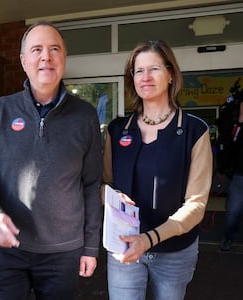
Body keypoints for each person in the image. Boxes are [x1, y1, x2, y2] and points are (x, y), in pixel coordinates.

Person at [0, 21, 103, 300]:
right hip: (9, 250)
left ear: (64, 58)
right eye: (37, 49)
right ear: (23, 61)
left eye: (54, 49)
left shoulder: (85, 115)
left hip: (63, 253)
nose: (46, 57)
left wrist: (90, 247)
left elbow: (91, 184)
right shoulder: (1, 111)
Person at [102, 40, 213, 300]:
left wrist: (149, 239)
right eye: (138, 71)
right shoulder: (118, 130)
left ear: (171, 73)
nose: (145, 77)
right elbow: (103, 184)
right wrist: (110, 197)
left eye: (154, 69)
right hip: (124, 245)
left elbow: (196, 205)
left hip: (175, 250)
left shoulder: (194, 131)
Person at [220, 100, 243, 251]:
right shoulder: (238, 129)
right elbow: (233, 148)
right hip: (240, 176)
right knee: (233, 212)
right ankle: (228, 238)